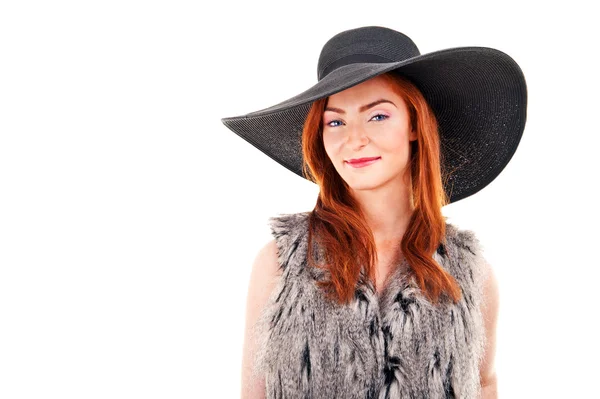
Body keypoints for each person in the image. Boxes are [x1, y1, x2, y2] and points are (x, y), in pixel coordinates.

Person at [221, 26, 527, 399]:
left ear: (414, 124)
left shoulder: (470, 275)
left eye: (378, 116)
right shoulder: (281, 264)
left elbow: (483, 384)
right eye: (335, 121)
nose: (354, 138)